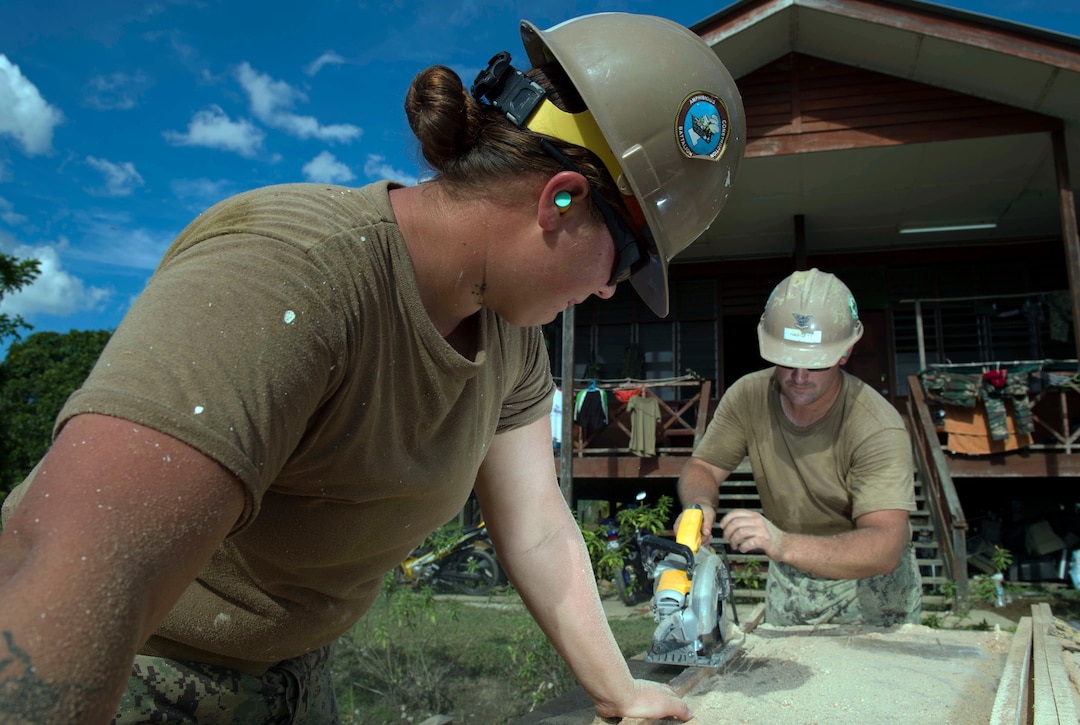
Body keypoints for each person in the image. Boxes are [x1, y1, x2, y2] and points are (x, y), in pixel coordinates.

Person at [0, 12, 745, 724]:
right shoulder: (292, 272)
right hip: (127, 676)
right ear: (560, 199)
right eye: (631, 258)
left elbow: (540, 528)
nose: (613, 287)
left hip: (292, 680)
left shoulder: (511, 339)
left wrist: (620, 688)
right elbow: (76, 579)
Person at [677, 269, 923, 627]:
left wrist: (782, 544)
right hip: (791, 576)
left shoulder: (876, 425)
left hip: (870, 589)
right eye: (788, 359)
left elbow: (886, 544)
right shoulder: (749, 396)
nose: (799, 375)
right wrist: (699, 506)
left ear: (845, 352)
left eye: (815, 362)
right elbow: (704, 467)